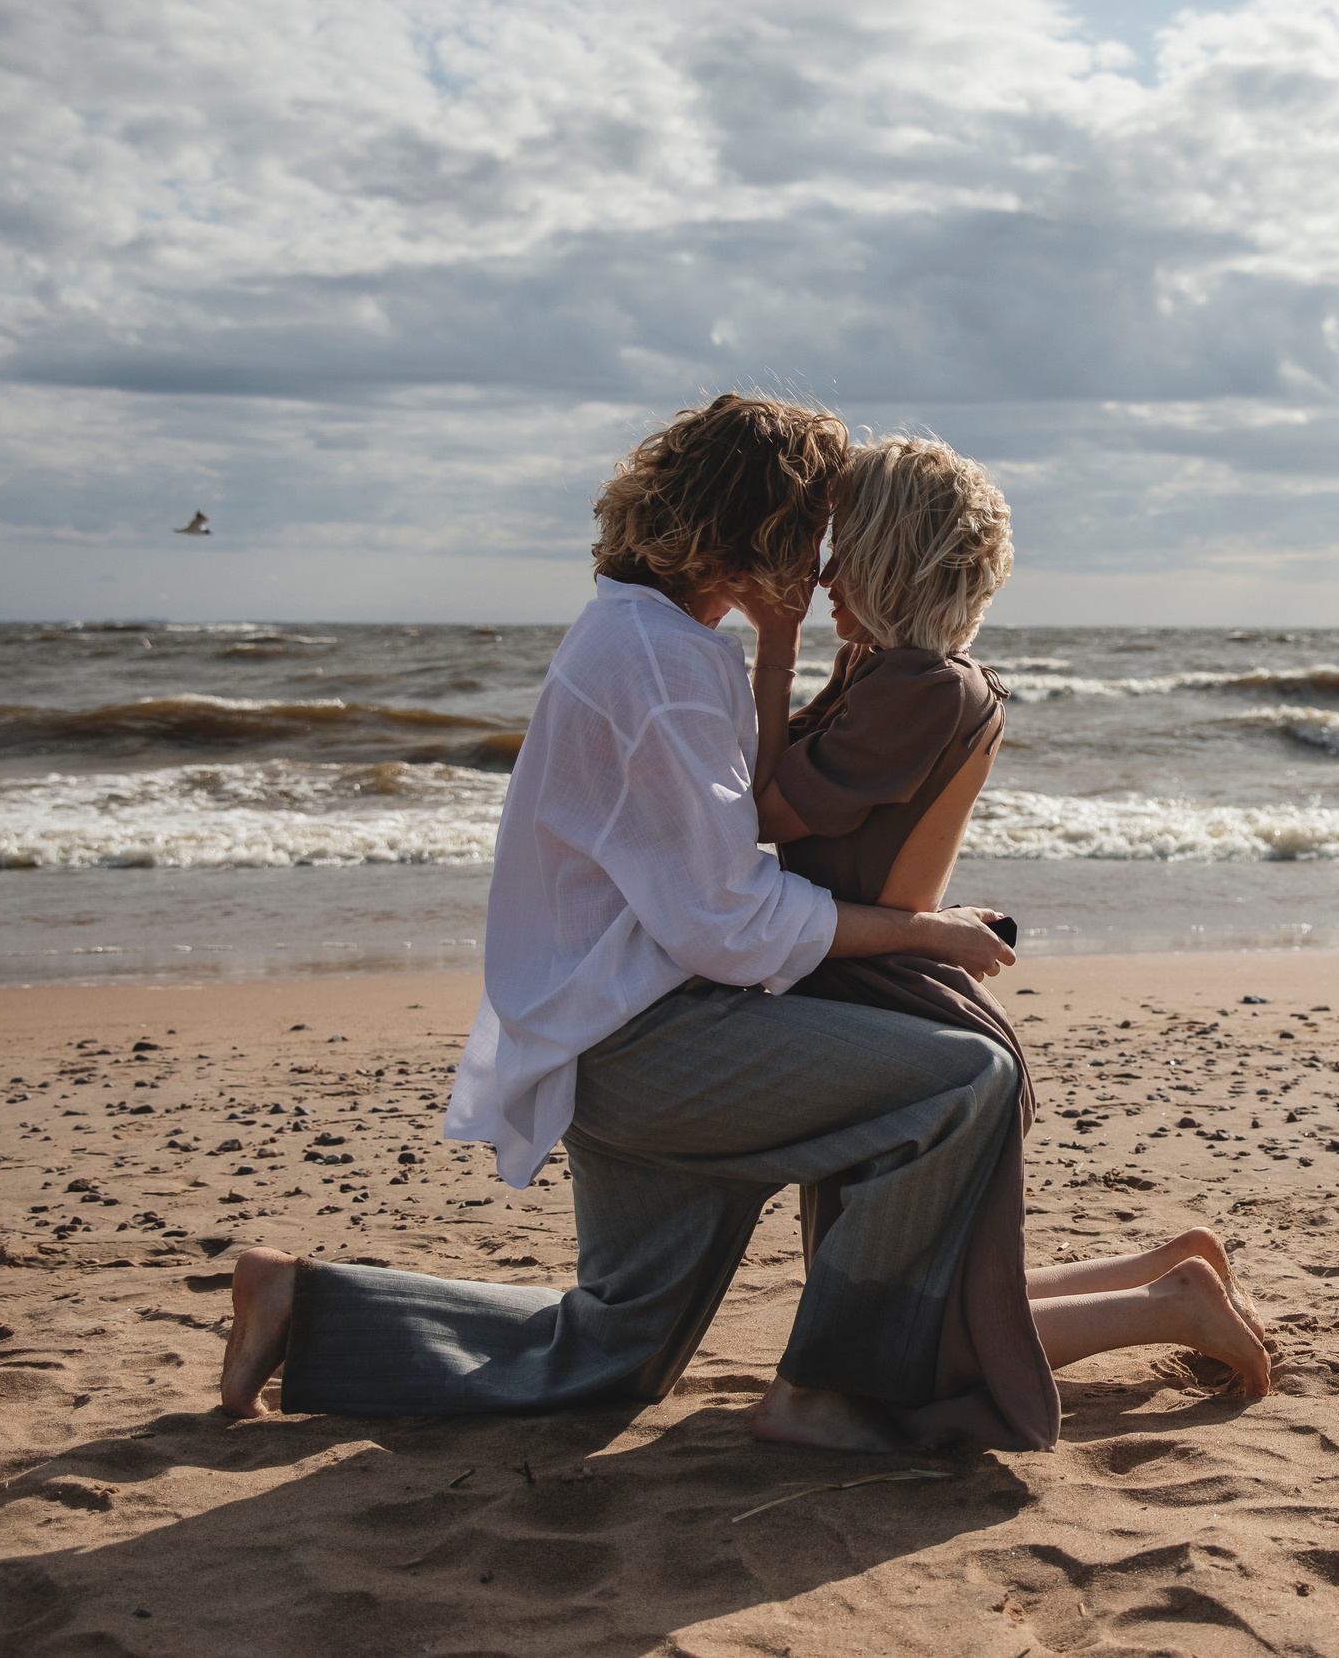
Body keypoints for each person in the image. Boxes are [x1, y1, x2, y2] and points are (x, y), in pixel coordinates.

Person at [217, 395, 1266, 1453]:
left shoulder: (654, 639)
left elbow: (726, 868)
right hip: (644, 1039)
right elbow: (728, 918)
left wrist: (776, 658)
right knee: (963, 1080)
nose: (821, 567)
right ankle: (830, 1390)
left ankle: (303, 1306)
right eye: (816, 531)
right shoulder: (663, 667)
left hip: (612, 1020)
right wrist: (927, 933)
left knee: (614, 1345)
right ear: (764, 526)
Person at [759, 436, 1272, 1445]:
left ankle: (1164, 1309)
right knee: (917, 1297)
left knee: (916, 1335)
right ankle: (1157, 1275)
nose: (817, 575)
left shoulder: (919, 687)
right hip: (879, 982)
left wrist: (774, 646)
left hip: (881, 999)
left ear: (889, 557)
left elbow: (760, 805)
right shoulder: (903, 674)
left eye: (839, 547)